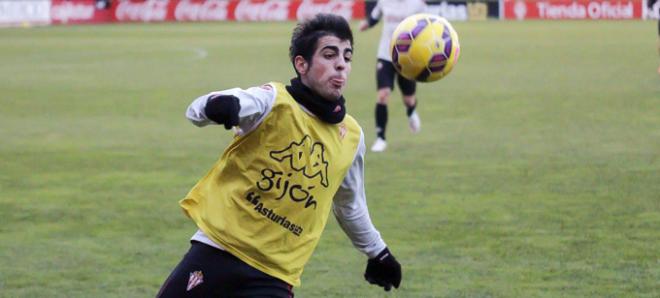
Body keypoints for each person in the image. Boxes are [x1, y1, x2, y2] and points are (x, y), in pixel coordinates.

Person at [157, 14, 401, 297]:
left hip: (273, 277)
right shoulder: (273, 101)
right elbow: (199, 109)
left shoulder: (352, 137)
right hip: (217, 251)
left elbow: (350, 206)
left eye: (347, 57)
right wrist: (219, 105)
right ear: (302, 64)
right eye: (329, 54)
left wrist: (378, 252)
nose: (341, 64)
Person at [359, 0, 428, 152]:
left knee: (409, 99)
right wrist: (367, 24)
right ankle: (381, 138)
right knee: (383, 95)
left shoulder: (417, 3)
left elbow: (427, 25)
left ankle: (411, 111)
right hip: (385, 55)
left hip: (408, 58)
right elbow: (375, 16)